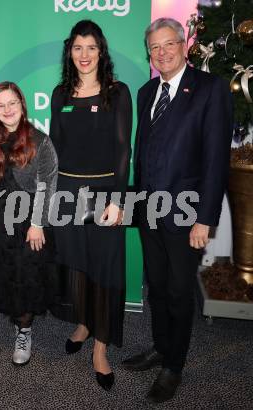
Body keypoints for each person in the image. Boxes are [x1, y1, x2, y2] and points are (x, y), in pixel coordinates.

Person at [122, 18, 233, 404]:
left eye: (169, 44)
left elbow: (216, 160)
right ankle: (160, 347)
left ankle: (174, 367)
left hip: (188, 216)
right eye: (155, 47)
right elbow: (144, 154)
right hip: (150, 212)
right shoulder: (145, 91)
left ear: (184, 45)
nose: (162, 52)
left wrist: (205, 217)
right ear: (149, 53)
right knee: (156, 286)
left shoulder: (210, 89)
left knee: (179, 291)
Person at [49, 20, 132, 390]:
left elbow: (123, 152)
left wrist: (117, 201)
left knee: (105, 268)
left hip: (104, 196)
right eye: (78, 48)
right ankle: (83, 323)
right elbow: (53, 150)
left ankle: (100, 348)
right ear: (71, 51)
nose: (84, 55)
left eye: (91, 48)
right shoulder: (60, 94)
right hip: (67, 194)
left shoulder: (118, 92)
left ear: (102, 52)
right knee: (78, 266)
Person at [0, 81, 58, 366]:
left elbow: (47, 184)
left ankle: (24, 331)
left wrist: (38, 223)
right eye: (1, 105)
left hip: (26, 224)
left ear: (22, 105)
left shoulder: (40, 140)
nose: (7, 110)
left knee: (25, 281)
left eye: (12, 103)